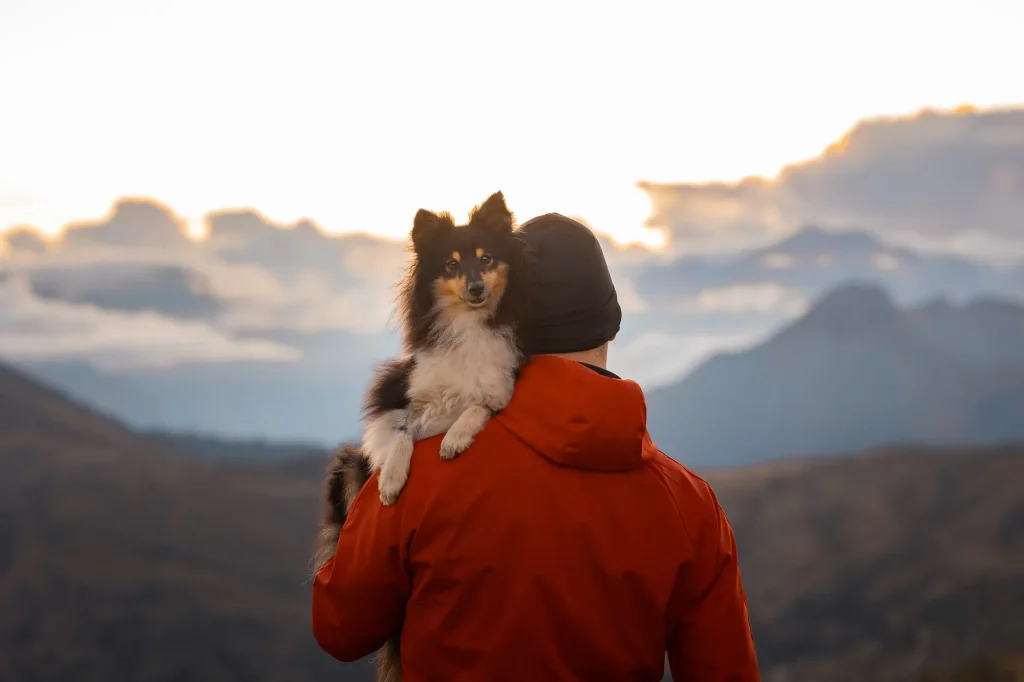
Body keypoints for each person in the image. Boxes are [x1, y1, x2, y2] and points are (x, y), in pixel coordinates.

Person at [311, 213, 761, 681]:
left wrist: (348, 512)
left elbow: (341, 628)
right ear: (610, 327)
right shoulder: (690, 505)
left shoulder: (419, 475)